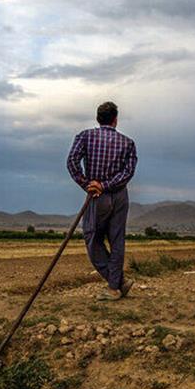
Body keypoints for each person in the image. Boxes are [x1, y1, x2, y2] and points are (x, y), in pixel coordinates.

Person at [66, 101, 138, 301]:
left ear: (98, 119)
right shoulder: (128, 143)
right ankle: (117, 285)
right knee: (117, 241)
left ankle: (115, 285)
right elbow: (128, 172)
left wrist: (89, 184)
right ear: (115, 120)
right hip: (120, 196)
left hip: (98, 197)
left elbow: (71, 161)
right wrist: (105, 185)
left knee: (91, 236)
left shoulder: (85, 136)